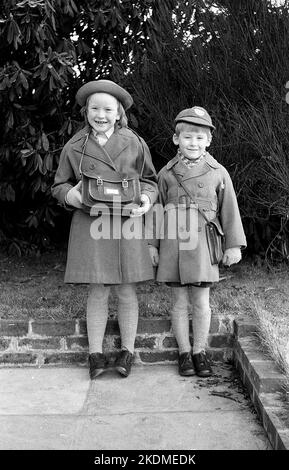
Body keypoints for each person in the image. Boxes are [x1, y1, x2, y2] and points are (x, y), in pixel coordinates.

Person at [51, 79, 158, 379]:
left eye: (108, 109)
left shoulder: (134, 142)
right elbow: (59, 184)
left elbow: (149, 179)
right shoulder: (74, 146)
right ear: (86, 112)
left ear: (119, 113)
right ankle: (95, 355)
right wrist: (69, 195)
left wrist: (147, 200)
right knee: (97, 290)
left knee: (126, 290)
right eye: (95, 108)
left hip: (126, 222)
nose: (101, 114)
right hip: (90, 221)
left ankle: (127, 351)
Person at [148, 106, 246, 377]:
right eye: (188, 137)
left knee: (202, 301)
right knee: (179, 302)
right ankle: (183, 353)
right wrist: (151, 245)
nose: (194, 143)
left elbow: (230, 210)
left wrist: (233, 245)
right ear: (176, 139)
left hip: (203, 243)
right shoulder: (166, 173)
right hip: (173, 245)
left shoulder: (218, 172)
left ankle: (199, 351)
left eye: (200, 138)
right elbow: (156, 211)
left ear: (209, 141)